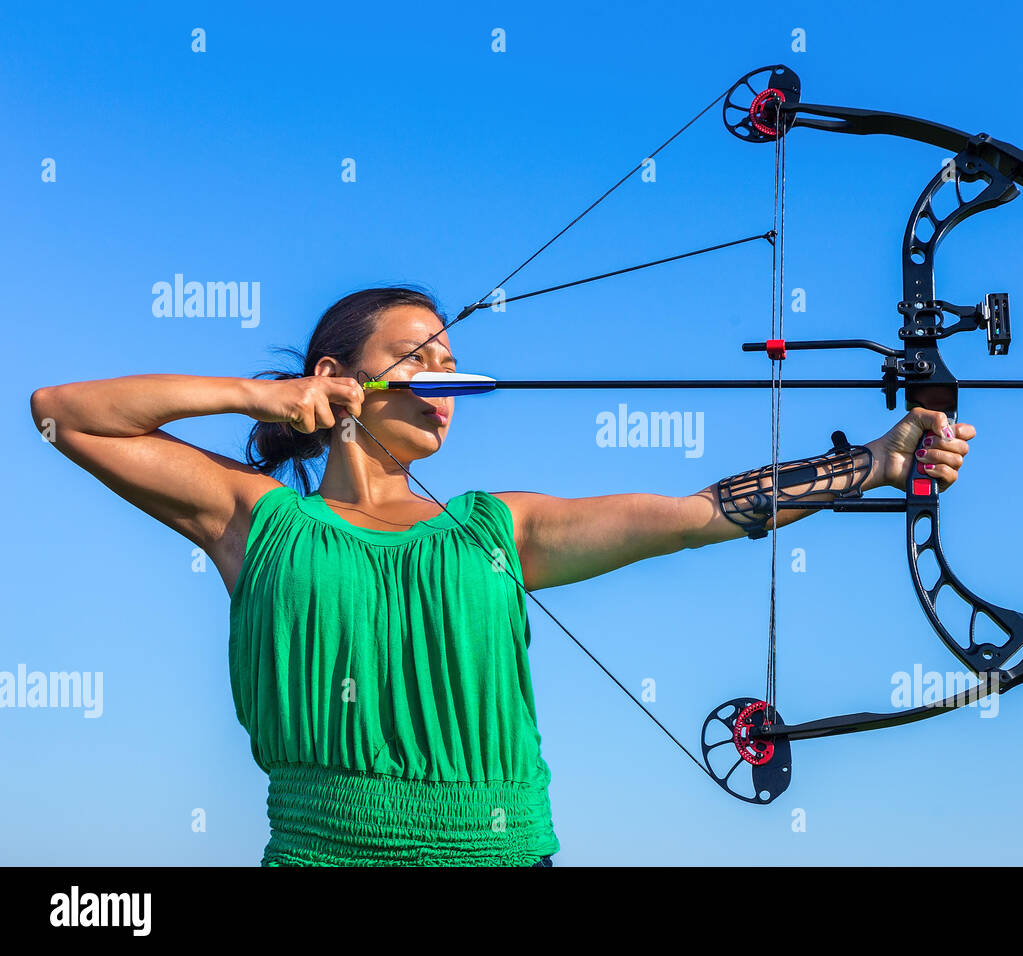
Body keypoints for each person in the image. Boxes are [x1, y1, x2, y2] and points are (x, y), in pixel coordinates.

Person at [28, 286, 974, 866]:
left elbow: (698, 514)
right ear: (338, 377)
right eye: (418, 356)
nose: (446, 373)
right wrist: (259, 396)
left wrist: (876, 465)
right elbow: (64, 413)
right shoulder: (258, 518)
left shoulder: (497, 528)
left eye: (453, 359)